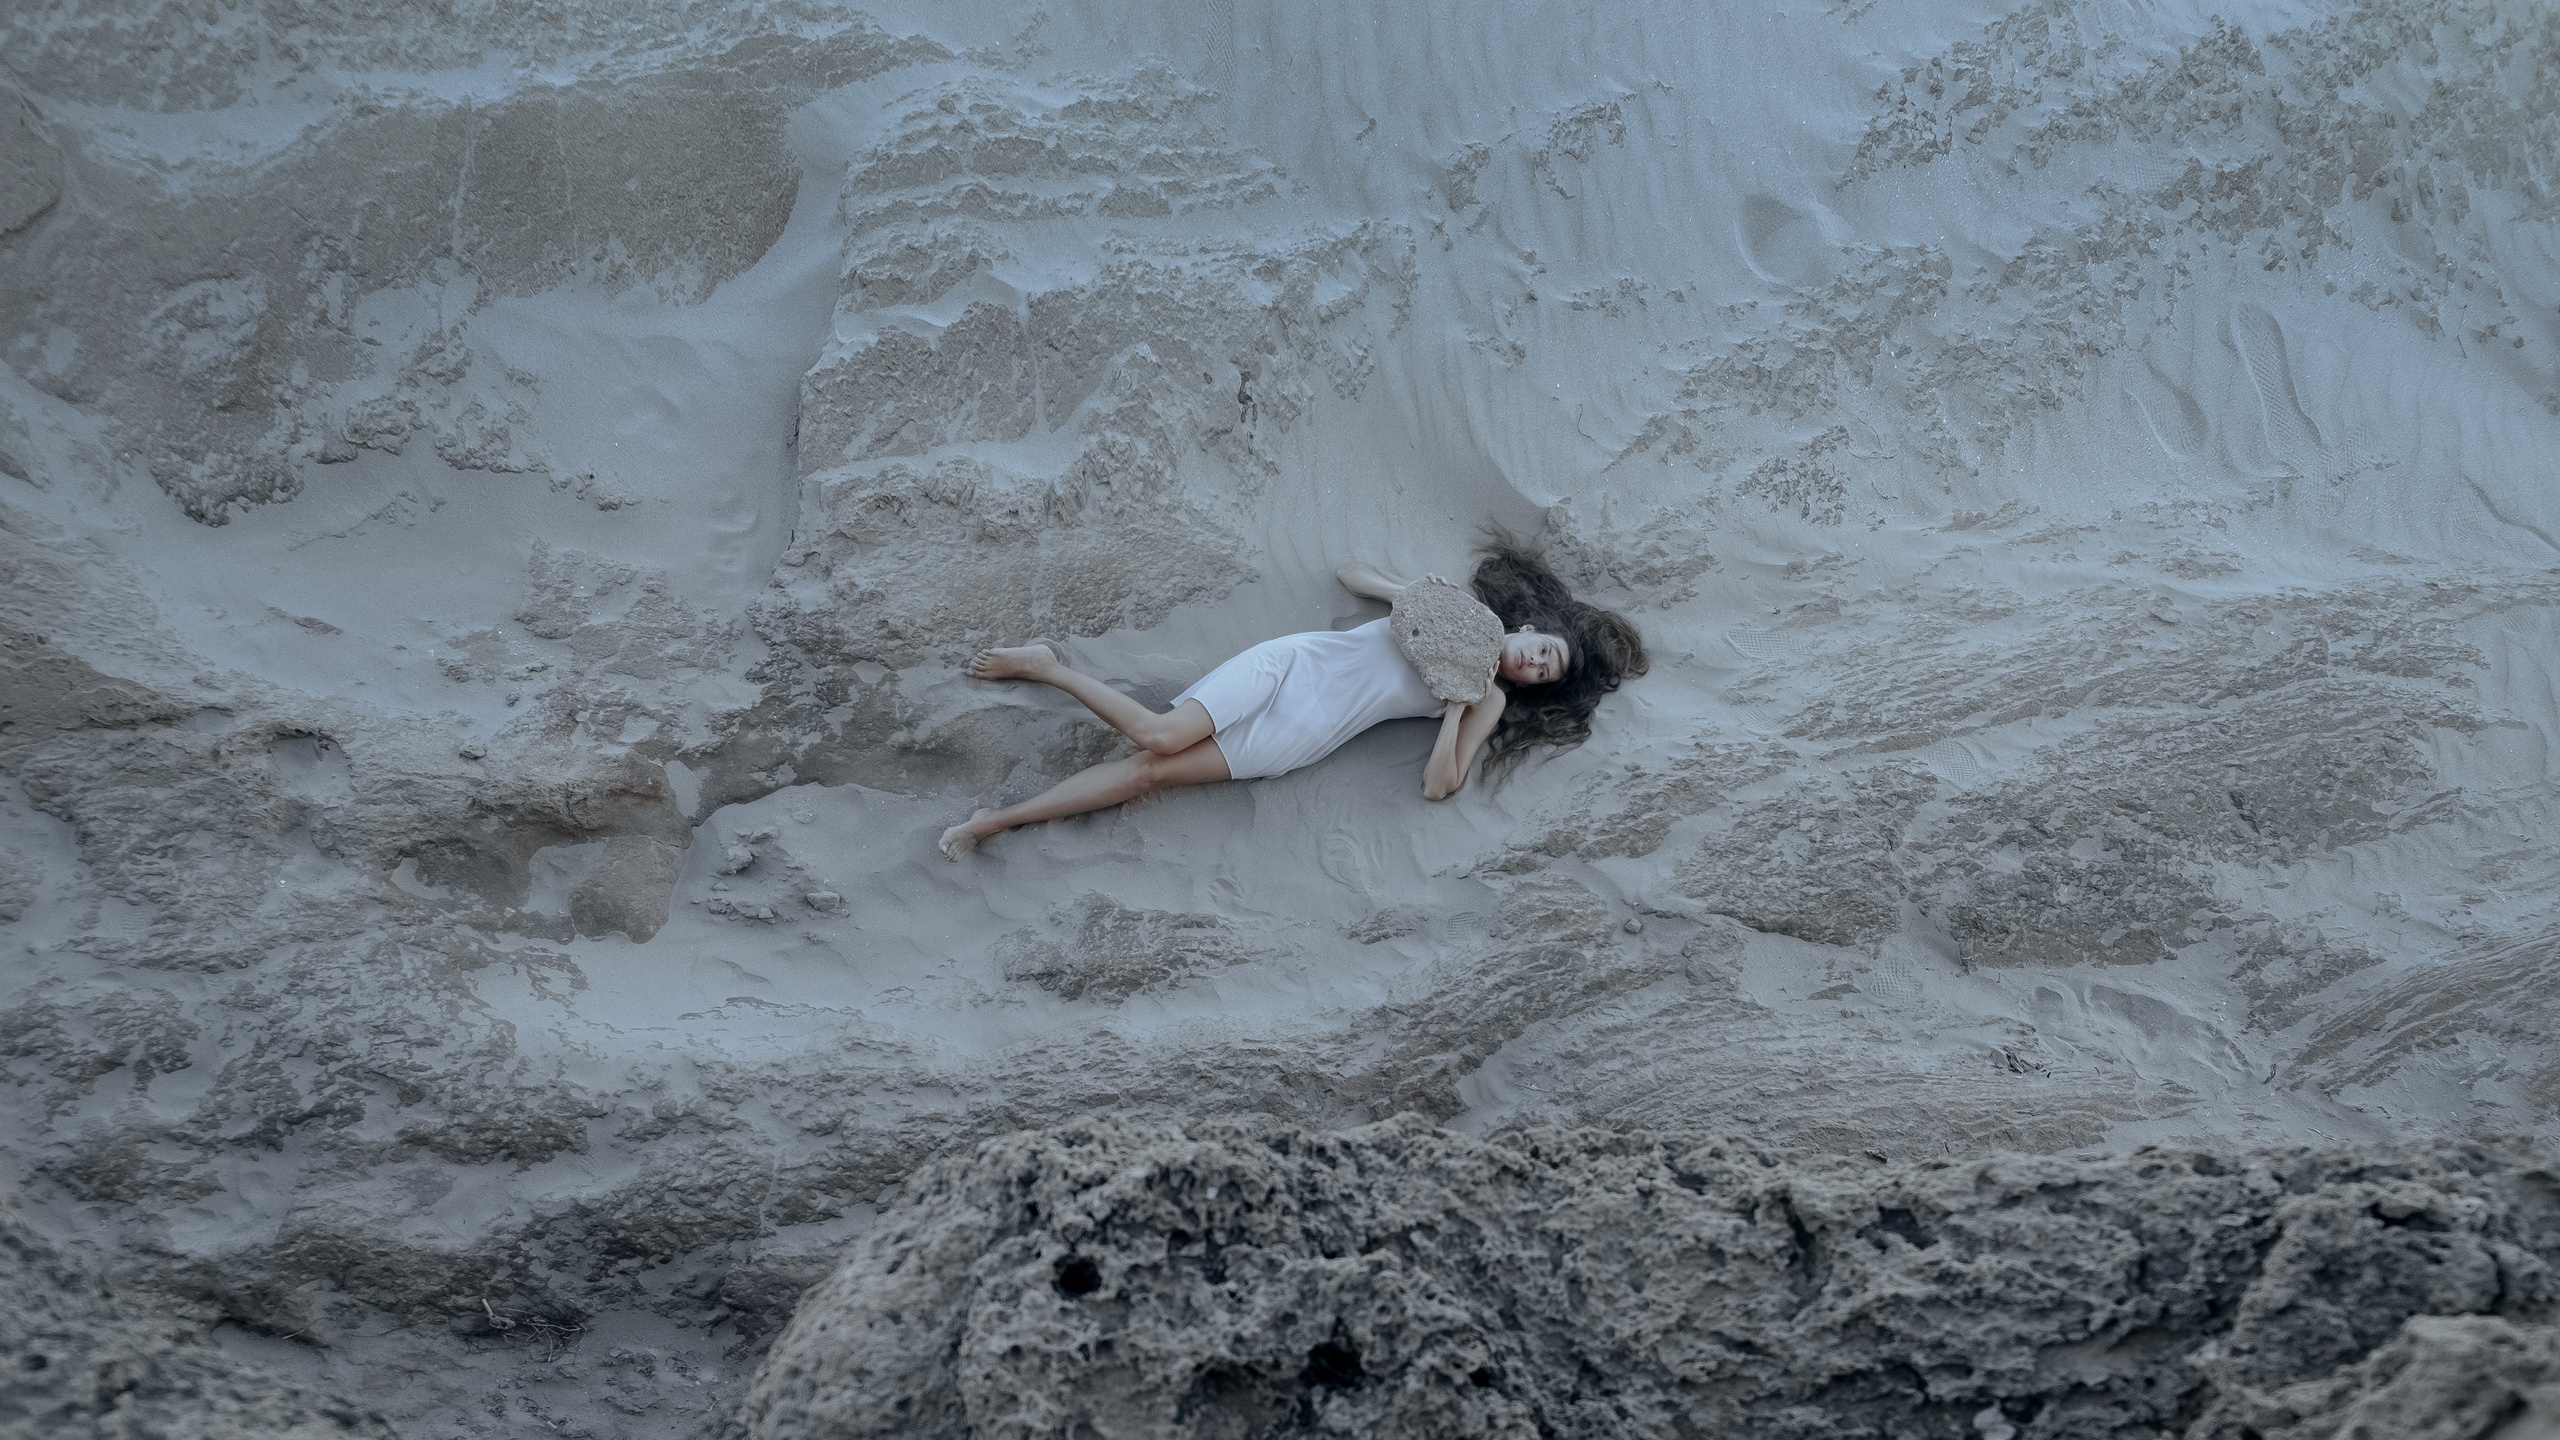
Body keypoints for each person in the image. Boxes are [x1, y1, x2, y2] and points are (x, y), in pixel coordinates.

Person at [938, 531, 1647, 859]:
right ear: (1531, 629)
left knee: (1148, 772)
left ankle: (996, 821)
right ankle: (1049, 668)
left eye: (1541, 674)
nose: (1530, 663)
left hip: (1303, 735)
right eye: (1541, 650)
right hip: (1291, 668)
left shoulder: (1487, 701)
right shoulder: (1458, 610)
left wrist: (1460, 696)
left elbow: (1439, 787)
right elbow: (1352, 572)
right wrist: (1421, 604)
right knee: (1159, 735)